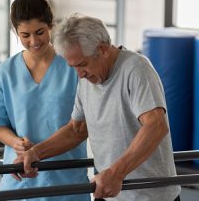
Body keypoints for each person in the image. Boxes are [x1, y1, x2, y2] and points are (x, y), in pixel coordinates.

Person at [15, 14, 181, 201]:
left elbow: (156, 126)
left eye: (83, 64)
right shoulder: (87, 79)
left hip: (150, 196)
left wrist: (116, 173)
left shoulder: (136, 69)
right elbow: (75, 130)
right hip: (109, 194)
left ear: (102, 49)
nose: (80, 74)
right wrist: (35, 153)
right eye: (74, 67)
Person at [0, 0, 90, 201]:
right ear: (15, 32)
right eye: (25, 35)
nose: (34, 41)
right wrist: (14, 142)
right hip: (20, 179)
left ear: (51, 25)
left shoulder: (74, 68)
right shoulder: (3, 74)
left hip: (66, 179)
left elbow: (83, 126)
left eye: (40, 32)